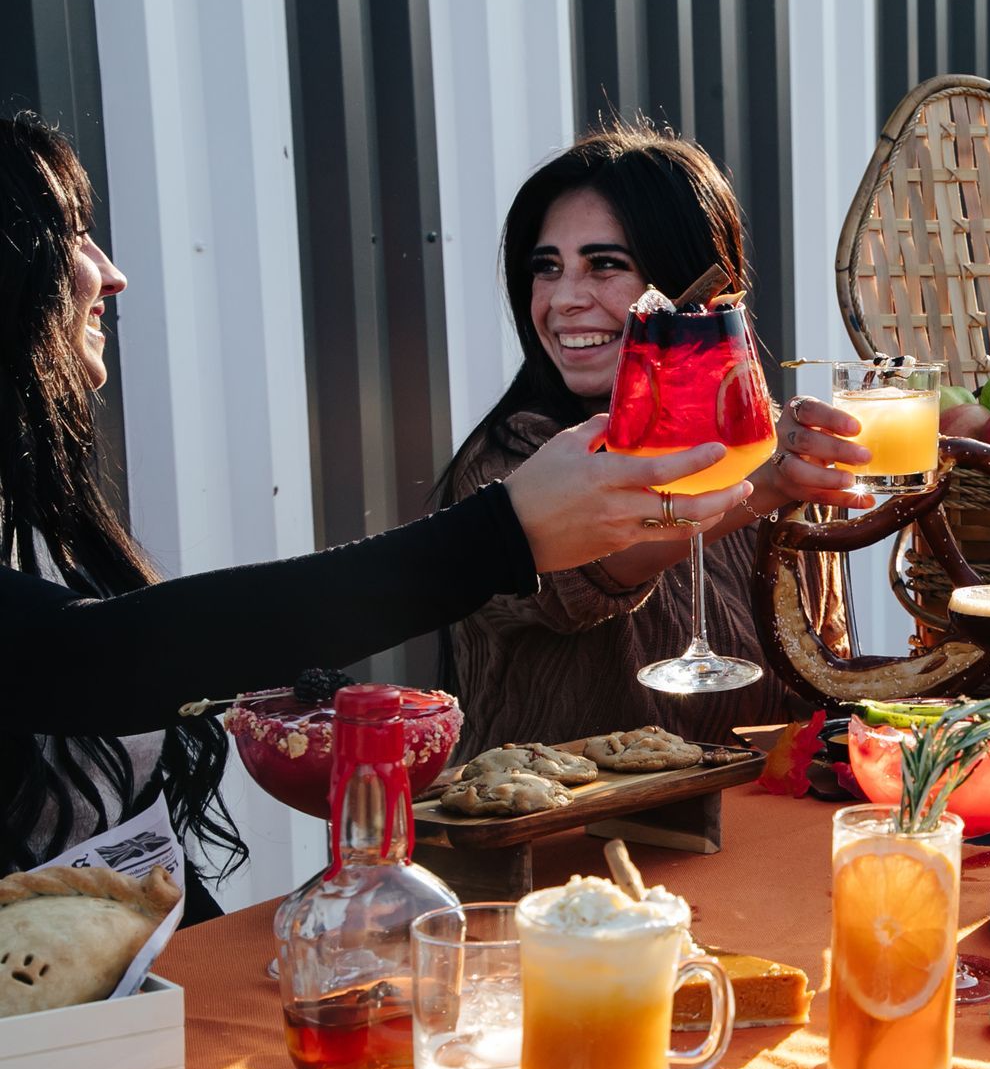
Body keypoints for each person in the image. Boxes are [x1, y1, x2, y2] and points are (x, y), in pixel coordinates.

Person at [0, 112, 749, 922]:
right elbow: (99, 660)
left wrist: (194, 961)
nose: (109, 273)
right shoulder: (516, 456)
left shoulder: (41, 516)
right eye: (69, 235)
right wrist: (507, 531)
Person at [439, 123, 868, 751]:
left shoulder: (767, 444)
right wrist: (763, 486)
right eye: (546, 268)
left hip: (772, 827)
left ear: (695, 288)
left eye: (605, 265)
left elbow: (821, 670)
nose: (562, 300)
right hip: (579, 840)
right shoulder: (509, 458)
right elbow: (587, 575)